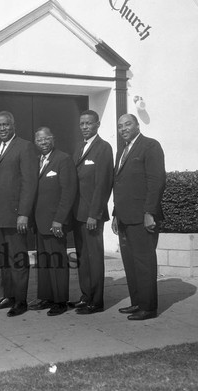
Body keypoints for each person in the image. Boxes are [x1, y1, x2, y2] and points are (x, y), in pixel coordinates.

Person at [112, 113, 166, 321]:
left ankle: (148, 307)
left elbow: (156, 181)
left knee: (144, 263)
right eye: (120, 126)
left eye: (128, 124)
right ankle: (137, 302)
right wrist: (116, 213)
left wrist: (149, 213)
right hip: (125, 218)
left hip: (142, 217)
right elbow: (120, 185)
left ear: (137, 125)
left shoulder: (150, 146)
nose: (123, 128)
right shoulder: (122, 151)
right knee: (131, 263)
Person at [0, 111, 38, 317]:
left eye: (6, 125)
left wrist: (24, 213)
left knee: (17, 260)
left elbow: (29, 183)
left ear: (13, 125)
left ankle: (21, 300)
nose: (2, 128)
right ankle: (8, 296)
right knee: (4, 259)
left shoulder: (25, 147)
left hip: (16, 216)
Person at [30, 127, 77, 316]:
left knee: (57, 262)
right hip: (40, 223)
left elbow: (68, 192)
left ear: (53, 139)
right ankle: (47, 297)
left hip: (55, 223)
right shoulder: (36, 160)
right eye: (39, 140)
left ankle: (60, 301)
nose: (43, 142)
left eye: (46, 139)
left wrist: (59, 220)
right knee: (43, 262)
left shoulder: (63, 159)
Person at [70, 109, 114, 315]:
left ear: (97, 124)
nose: (85, 127)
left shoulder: (103, 148)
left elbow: (102, 184)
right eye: (82, 124)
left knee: (94, 258)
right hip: (78, 213)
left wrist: (93, 214)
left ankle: (96, 301)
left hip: (91, 215)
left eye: (89, 123)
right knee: (82, 258)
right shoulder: (79, 147)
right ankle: (85, 296)